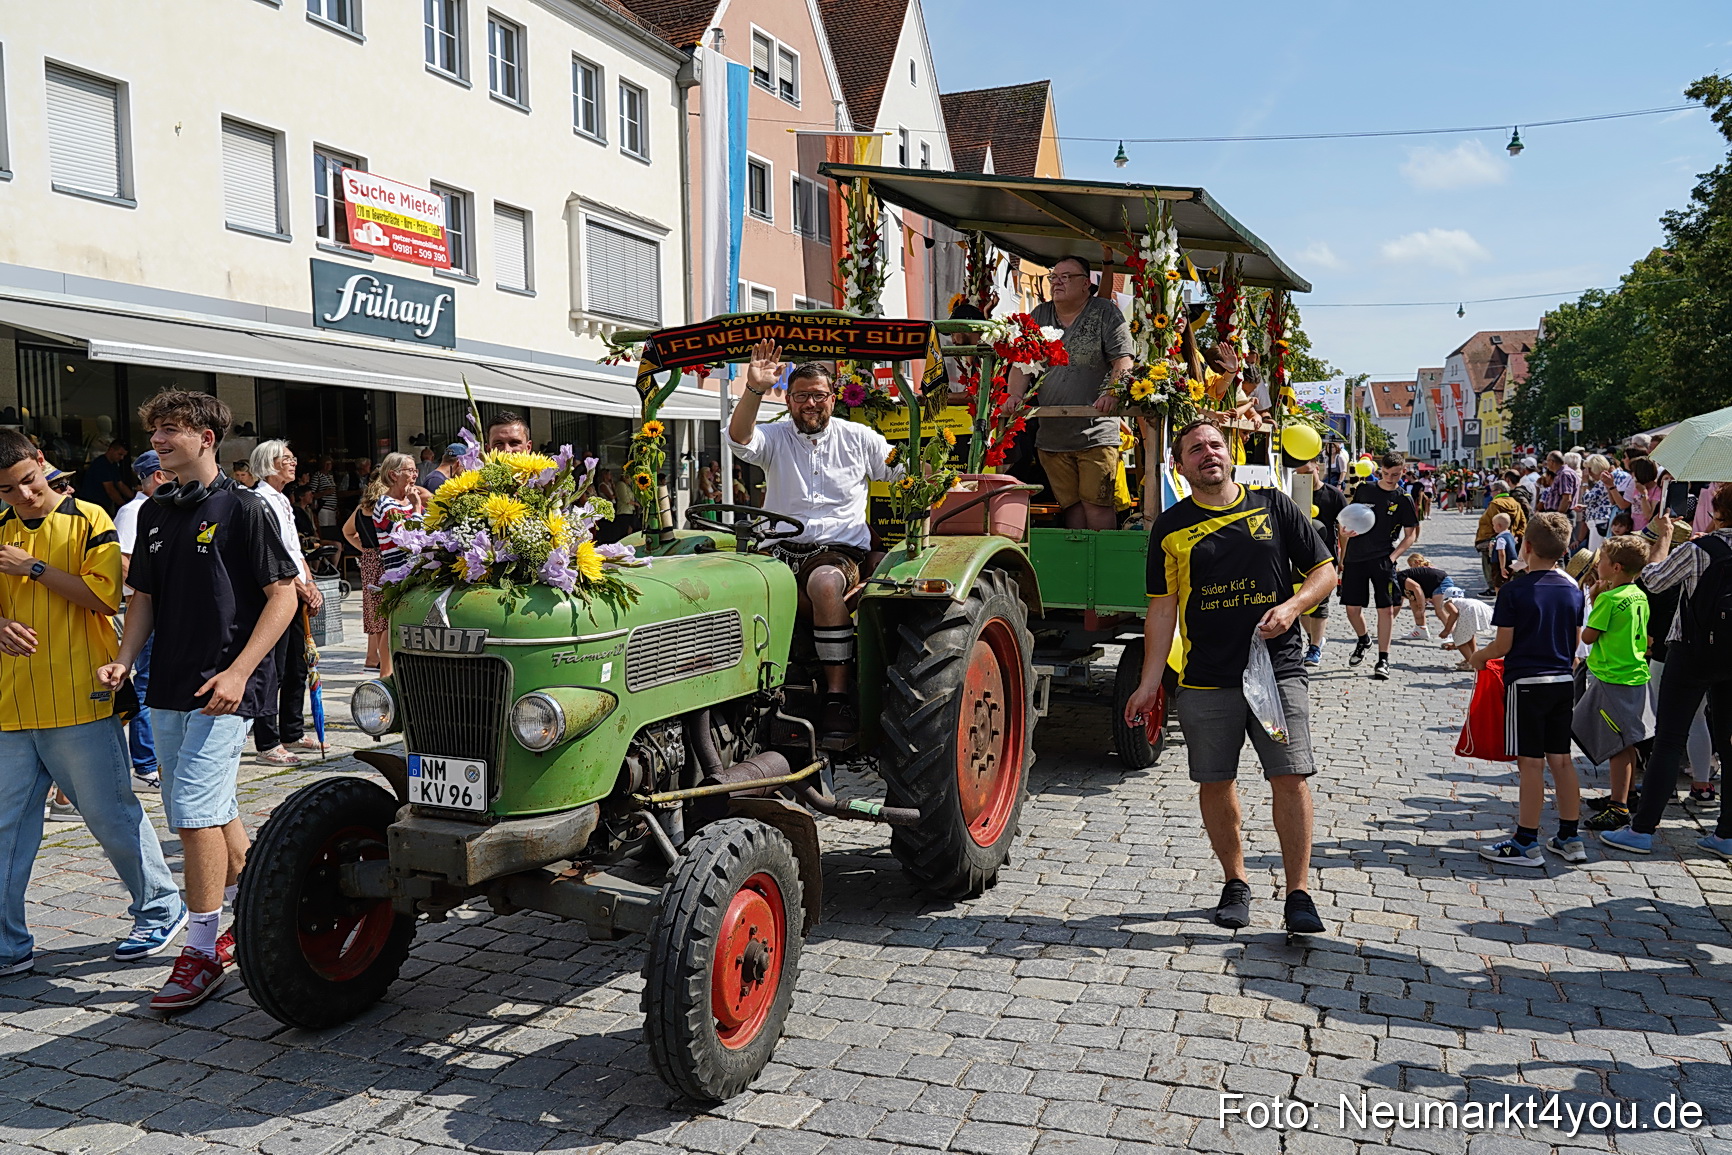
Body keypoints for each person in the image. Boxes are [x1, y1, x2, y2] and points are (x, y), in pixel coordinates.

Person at [97, 390, 299, 1010]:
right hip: (168, 685)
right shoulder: (156, 511)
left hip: (225, 687)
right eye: (154, 429)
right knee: (215, 808)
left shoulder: (246, 509)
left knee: (189, 812)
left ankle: (202, 948)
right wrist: (125, 661)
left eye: (171, 430)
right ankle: (263, 915)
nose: (157, 439)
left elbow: (284, 596)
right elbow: (143, 601)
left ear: (206, 437)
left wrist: (240, 673)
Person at [1125, 420, 1335, 933]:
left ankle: (1299, 894)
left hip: (1278, 668)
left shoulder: (1274, 505)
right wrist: (1150, 681)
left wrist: (1293, 607)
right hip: (1206, 677)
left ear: (1231, 452)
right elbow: (1162, 608)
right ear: (1180, 465)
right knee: (1216, 782)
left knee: (1290, 776)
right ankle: (1235, 881)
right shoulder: (1170, 528)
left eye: (1215, 445)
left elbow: (1325, 570)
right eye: (1195, 449)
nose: (1208, 454)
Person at [0, 430, 185, 975]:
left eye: (28, 482)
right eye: (8, 491)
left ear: (42, 463)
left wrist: (32, 568)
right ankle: (8, 945)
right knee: (5, 827)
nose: (23, 496)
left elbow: (106, 596)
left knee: (107, 813)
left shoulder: (91, 519)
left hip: (81, 696)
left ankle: (159, 906)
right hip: (11, 704)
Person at [727, 340, 897, 744]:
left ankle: (838, 695)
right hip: (780, 549)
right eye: (801, 395)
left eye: (818, 396)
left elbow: (903, 472)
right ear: (787, 399)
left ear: (832, 399)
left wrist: (945, 476)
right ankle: (746, 692)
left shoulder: (861, 439)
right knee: (734, 585)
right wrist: (753, 389)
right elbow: (739, 439)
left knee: (823, 582)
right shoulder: (775, 438)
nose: (810, 404)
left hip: (839, 552)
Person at [1601, 495, 1732, 858]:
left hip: (1694, 651)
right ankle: (1726, 834)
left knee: (1669, 738)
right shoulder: (1706, 546)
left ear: (1719, 513)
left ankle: (1642, 829)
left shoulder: (1701, 549)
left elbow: (1654, 580)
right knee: (1729, 742)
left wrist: (1664, 539)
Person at [1469, 513, 1585, 866]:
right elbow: (1576, 645)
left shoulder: (1515, 590)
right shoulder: (1573, 589)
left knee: (1531, 764)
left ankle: (1525, 841)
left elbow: (1503, 644)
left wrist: (1477, 657)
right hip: (1563, 682)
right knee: (1561, 761)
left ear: (1527, 546)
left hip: (1528, 683)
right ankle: (1569, 836)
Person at [1005, 255, 1133, 531]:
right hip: (1052, 436)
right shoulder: (1039, 314)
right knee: (1071, 508)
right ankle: (1079, 568)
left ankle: (1102, 566)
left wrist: (1113, 391)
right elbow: (1021, 362)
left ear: (1087, 283)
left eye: (1066, 277)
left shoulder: (1105, 313)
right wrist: (1014, 395)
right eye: (1054, 277)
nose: (1057, 282)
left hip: (1095, 432)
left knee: (1097, 506)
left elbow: (1123, 359)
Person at [248, 440, 326, 765]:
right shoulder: (258, 501)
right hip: (275, 594)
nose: (293, 463)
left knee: (298, 664)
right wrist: (298, 586)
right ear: (269, 463)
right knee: (273, 669)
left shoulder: (283, 500)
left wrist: (311, 584)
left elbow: (295, 550)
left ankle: (292, 730)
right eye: (287, 459)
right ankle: (267, 741)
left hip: (296, 590)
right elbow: (273, 555)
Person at [1576, 536, 1655, 835]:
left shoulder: (1609, 599)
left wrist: (1595, 598)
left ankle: (1618, 808)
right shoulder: (1638, 594)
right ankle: (1625, 794)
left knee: (1617, 744)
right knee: (1627, 741)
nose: (1598, 564)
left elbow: (1588, 637)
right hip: (1634, 673)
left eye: (1603, 561)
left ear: (1617, 567)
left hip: (1613, 677)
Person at [113, 450, 169, 791]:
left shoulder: (157, 508)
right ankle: (145, 765)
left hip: (158, 609)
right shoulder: (133, 511)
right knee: (147, 686)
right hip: (145, 610)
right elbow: (123, 561)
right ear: (158, 477)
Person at [1340, 452, 1421, 679]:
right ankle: (1364, 639)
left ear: (1402, 471)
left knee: (1385, 610)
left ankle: (1383, 659)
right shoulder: (1365, 489)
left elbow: (1410, 535)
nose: (1390, 478)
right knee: (1352, 610)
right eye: (1385, 473)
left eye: (1395, 474)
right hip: (1356, 556)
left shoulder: (1403, 498)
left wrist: (1394, 557)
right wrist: (1344, 533)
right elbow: (1351, 517)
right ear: (1380, 471)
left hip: (1383, 558)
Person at [368, 453, 425, 679]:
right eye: (409, 470)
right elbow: (409, 535)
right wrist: (418, 507)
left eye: (414, 471)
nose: (414, 475)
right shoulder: (385, 504)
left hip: (415, 570)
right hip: (396, 572)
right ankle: (386, 674)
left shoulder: (407, 503)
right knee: (392, 625)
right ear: (394, 475)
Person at [1298, 459, 1344, 668]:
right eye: (1300, 474)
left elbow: (1345, 529)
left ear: (1318, 468)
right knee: (1301, 603)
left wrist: (1343, 559)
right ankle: (1312, 638)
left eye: (1308, 472)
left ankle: (1315, 647)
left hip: (1325, 557)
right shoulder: (1293, 492)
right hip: (1298, 556)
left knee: (1320, 604)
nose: (1305, 478)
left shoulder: (1333, 495)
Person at [344, 470, 387, 671]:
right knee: (383, 610)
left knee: (372, 609)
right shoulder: (387, 506)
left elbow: (347, 531)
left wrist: (364, 548)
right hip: (385, 558)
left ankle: (372, 656)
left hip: (369, 558)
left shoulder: (362, 507)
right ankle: (380, 659)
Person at [1475, 482, 1527, 594]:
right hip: (1510, 538)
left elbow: (1494, 523)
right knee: (1508, 564)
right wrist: (1517, 534)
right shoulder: (1515, 503)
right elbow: (1523, 522)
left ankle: (1494, 588)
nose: (1491, 493)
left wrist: (1491, 538)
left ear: (1498, 491)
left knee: (1491, 564)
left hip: (1492, 538)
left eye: (1492, 491)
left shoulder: (1495, 504)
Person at [1395, 553, 1462, 639]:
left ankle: (1454, 635)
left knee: (1440, 611)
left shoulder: (1400, 577)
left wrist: (1421, 609)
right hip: (1431, 585)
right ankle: (1420, 630)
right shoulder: (1399, 584)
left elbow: (1417, 588)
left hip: (1440, 582)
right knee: (1413, 600)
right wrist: (1388, 619)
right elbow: (1398, 604)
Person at [78, 440, 133, 514]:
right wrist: (125, 507)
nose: (122, 458)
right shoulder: (101, 464)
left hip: (103, 505)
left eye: (123, 455)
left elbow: (121, 485)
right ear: (111, 450)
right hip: (92, 506)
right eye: (120, 454)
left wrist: (133, 498)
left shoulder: (113, 465)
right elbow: (110, 490)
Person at [1488, 513, 1521, 591]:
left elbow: (1501, 553)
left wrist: (1502, 567)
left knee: (1498, 584)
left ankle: (1499, 599)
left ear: (1499, 526)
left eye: (1493, 525)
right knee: (1508, 582)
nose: (1493, 527)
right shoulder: (1510, 536)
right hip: (1512, 562)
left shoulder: (1501, 539)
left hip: (1501, 564)